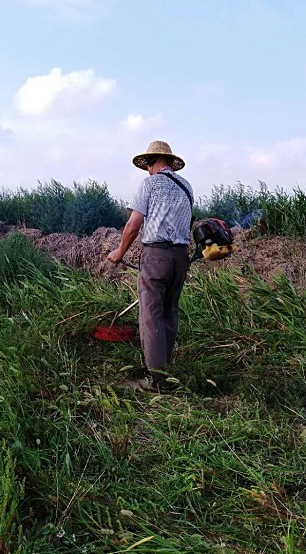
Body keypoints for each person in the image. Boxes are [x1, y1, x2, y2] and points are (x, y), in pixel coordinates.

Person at [107, 140, 194, 393]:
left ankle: (157, 381)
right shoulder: (186, 187)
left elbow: (134, 225)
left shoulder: (150, 184)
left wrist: (119, 252)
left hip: (156, 255)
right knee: (169, 312)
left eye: (147, 165)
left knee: (151, 316)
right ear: (171, 163)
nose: (147, 169)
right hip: (181, 257)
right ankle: (166, 370)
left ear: (152, 162)